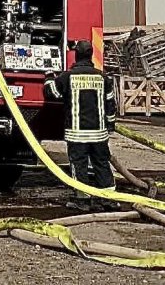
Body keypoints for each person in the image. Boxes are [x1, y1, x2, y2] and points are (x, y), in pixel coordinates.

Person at [45, 39, 118, 211]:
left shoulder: (67, 77)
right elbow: (110, 104)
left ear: (76, 56)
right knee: (102, 164)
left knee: (79, 165)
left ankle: (82, 200)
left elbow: (51, 93)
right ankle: (109, 199)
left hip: (77, 134)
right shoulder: (103, 77)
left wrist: (48, 76)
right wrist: (111, 125)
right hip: (99, 134)